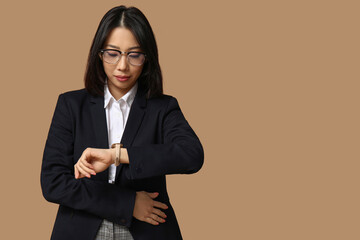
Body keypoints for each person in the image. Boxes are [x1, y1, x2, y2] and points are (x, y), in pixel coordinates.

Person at [40, 5, 204, 240]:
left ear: (147, 58)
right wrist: (128, 203)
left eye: (134, 55)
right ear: (99, 54)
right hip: (82, 229)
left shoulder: (163, 107)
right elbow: (52, 182)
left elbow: (191, 155)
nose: (122, 66)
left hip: (147, 230)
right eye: (113, 53)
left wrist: (118, 156)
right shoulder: (70, 105)